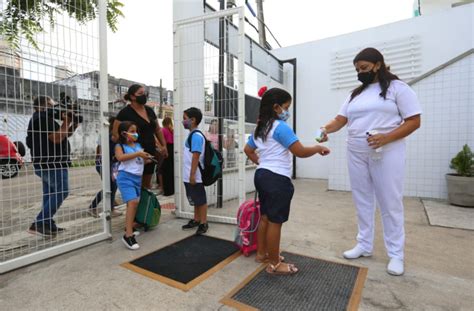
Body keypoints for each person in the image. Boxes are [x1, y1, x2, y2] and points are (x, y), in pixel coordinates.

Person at [319, 47, 422, 276]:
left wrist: (387, 136)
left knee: (389, 201)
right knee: (362, 199)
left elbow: (414, 121)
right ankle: (364, 245)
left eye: (364, 68)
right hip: (356, 150)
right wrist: (326, 128)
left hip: (386, 149)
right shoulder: (355, 94)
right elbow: (340, 119)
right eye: (357, 69)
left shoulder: (398, 88)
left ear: (378, 64)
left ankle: (396, 254)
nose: (360, 72)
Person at [244, 87, 330, 275]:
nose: (287, 111)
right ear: (276, 107)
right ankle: (275, 263)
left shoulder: (260, 127)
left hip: (262, 176)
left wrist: (263, 164)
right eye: (286, 107)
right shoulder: (281, 128)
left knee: (266, 217)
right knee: (276, 221)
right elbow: (299, 151)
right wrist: (317, 148)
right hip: (277, 179)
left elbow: (247, 150)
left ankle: (262, 254)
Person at [26, 95, 79, 236]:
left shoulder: (43, 119)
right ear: (44, 106)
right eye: (52, 105)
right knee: (62, 191)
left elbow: (63, 135)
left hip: (48, 162)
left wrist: (73, 124)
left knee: (49, 194)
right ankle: (40, 222)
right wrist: (66, 121)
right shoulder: (41, 118)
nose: (55, 108)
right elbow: (56, 139)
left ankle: (48, 223)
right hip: (51, 163)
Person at [113, 84, 168, 190]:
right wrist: (128, 146)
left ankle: (143, 205)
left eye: (145, 93)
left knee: (147, 185)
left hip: (150, 152)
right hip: (135, 153)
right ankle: (135, 204)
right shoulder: (125, 112)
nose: (144, 95)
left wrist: (163, 145)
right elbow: (116, 133)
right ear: (132, 96)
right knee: (137, 184)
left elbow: (157, 129)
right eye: (140, 93)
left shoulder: (149, 110)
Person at [115, 121, 152, 250]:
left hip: (137, 178)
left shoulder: (138, 145)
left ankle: (129, 227)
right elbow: (120, 157)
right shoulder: (120, 146)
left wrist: (147, 158)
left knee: (133, 204)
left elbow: (139, 161)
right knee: (133, 203)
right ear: (123, 133)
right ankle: (128, 235)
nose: (135, 133)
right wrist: (139, 154)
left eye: (135, 130)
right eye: (131, 131)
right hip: (125, 178)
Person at [181, 107, 209, 235]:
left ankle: (203, 222)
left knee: (201, 200)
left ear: (193, 120)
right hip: (190, 174)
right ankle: (196, 219)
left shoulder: (196, 136)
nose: (183, 121)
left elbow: (196, 156)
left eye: (185, 119)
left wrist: (192, 175)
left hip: (195, 175)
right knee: (195, 199)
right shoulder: (192, 134)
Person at [87, 116, 122, 218]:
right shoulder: (110, 135)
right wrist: (99, 159)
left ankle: (111, 206)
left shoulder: (112, 135)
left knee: (113, 185)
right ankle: (93, 207)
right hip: (105, 163)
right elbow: (101, 148)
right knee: (108, 186)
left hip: (110, 163)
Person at [161, 117, 175, 196]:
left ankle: (167, 191)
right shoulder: (172, 130)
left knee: (165, 171)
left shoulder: (163, 130)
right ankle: (172, 189)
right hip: (172, 148)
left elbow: (162, 141)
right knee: (172, 170)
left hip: (167, 148)